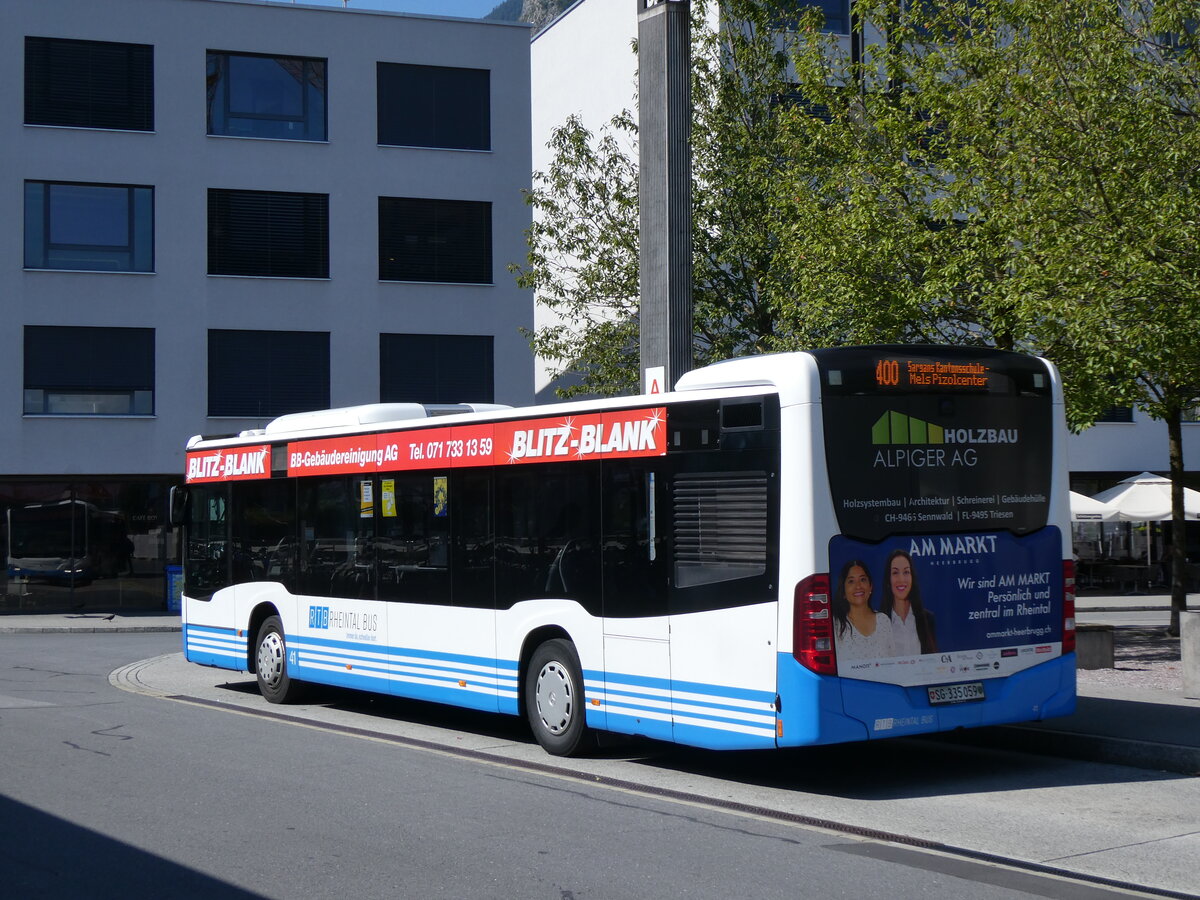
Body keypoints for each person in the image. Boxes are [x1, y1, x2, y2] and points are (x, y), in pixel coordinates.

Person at [832, 559, 894, 662]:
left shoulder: (883, 621)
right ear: (843, 591)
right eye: (851, 581)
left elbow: (893, 662)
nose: (858, 586)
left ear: (871, 586)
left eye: (863, 579)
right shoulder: (837, 625)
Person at [879, 548, 938, 655]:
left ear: (912, 577)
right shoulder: (878, 622)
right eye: (895, 572)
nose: (901, 579)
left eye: (906, 572)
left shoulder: (928, 619)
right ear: (888, 579)